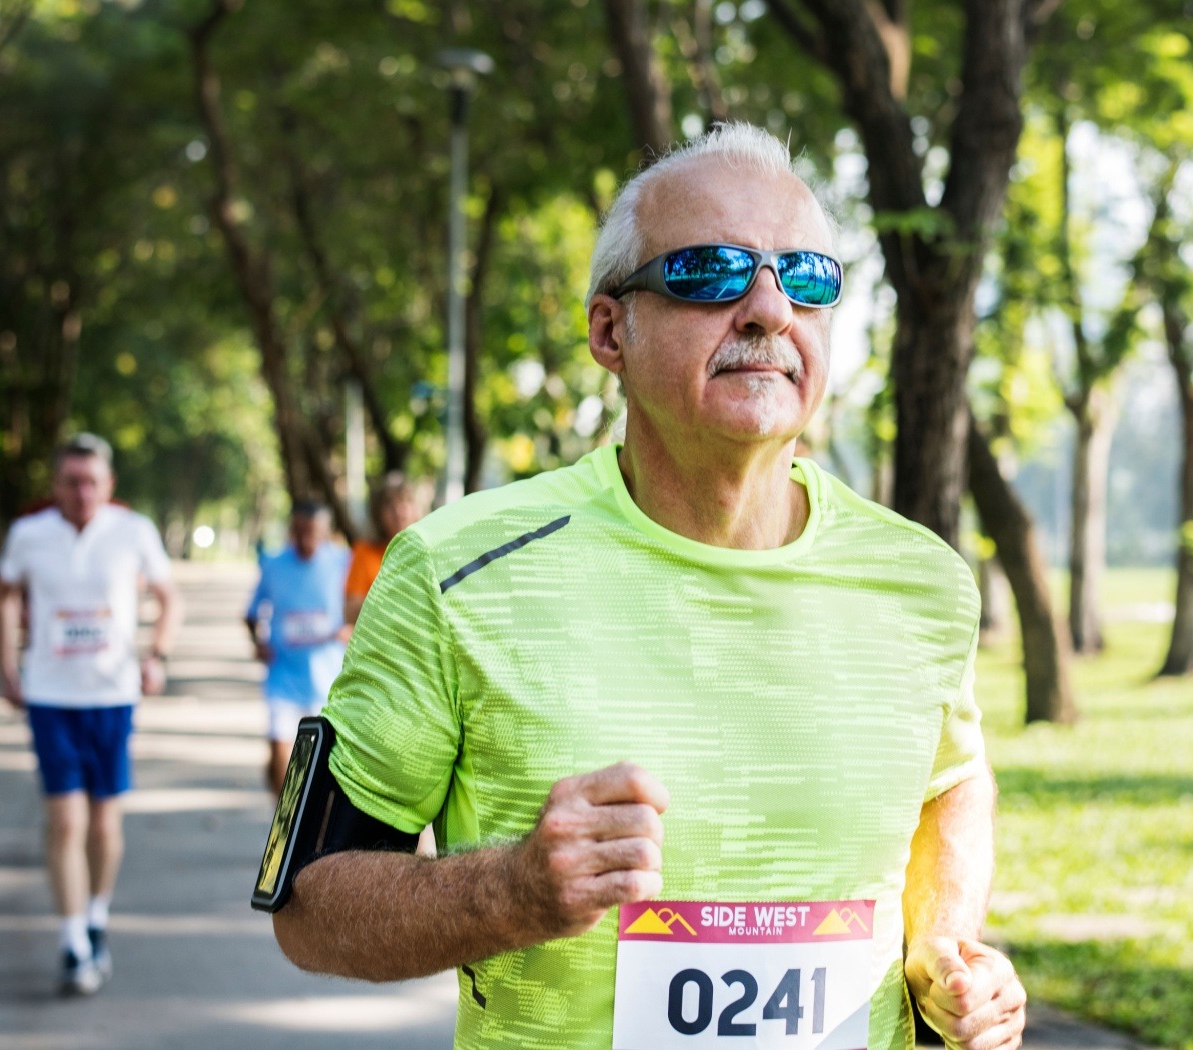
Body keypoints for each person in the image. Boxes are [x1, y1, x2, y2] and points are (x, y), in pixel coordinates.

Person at [271, 124, 1026, 1050]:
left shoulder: (921, 580)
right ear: (609, 330)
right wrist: (510, 893)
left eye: (808, 277)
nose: (767, 309)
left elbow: (951, 782)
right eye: (711, 272)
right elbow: (309, 906)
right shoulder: (453, 573)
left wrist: (946, 948)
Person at [0, 433, 181, 997]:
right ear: (56, 485)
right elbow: (3, 594)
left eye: (92, 482)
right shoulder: (30, 535)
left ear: (109, 485)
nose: (82, 492)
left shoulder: (133, 532)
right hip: (51, 697)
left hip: (113, 696)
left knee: (104, 825)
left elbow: (169, 596)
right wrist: (7, 664)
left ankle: (96, 915)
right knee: (66, 822)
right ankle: (73, 940)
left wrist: (157, 655)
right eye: (71, 482)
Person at [245, 501, 351, 795]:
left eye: (313, 533)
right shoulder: (274, 565)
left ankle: (304, 817)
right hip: (283, 675)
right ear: (291, 530)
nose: (306, 540)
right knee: (280, 747)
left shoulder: (344, 562)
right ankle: (285, 817)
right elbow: (251, 613)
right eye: (300, 532)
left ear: (327, 532)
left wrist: (351, 629)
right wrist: (258, 642)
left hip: (327, 679)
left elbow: (360, 605)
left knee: (321, 759)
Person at [343, 473, 422, 625]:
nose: (399, 512)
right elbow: (350, 613)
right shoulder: (364, 552)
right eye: (390, 505)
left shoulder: (427, 550)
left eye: (406, 502)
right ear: (377, 513)